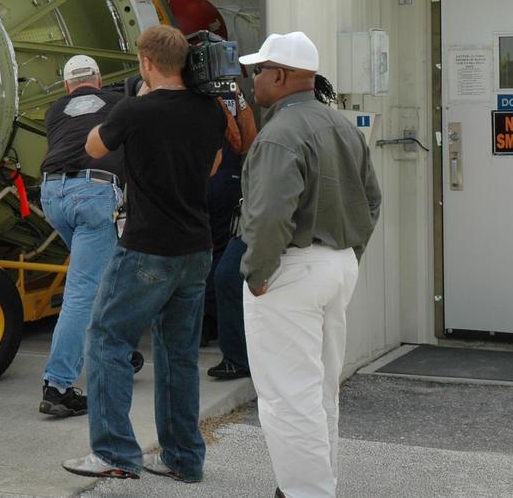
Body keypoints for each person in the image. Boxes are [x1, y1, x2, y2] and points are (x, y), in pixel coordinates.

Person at [62, 25, 225, 483]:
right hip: (196, 249)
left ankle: (114, 451)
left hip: (147, 247)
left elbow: (94, 147)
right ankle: (183, 459)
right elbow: (212, 165)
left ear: (148, 62)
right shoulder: (209, 110)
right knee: (179, 355)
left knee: (108, 340)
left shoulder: (136, 108)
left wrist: (133, 103)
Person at [238, 32, 382, 498]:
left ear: (280, 76)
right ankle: (315, 485)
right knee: (319, 391)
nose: (253, 78)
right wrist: (349, 256)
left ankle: (306, 492)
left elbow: (269, 216)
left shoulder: (279, 134)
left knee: (286, 398)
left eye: (259, 70)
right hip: (337, 264)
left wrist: (257, 274)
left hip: (291, 270)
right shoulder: (341, 126)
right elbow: (372, 200)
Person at [37, 54, 125, 418]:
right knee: (82, 289)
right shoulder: (119, 104)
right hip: (93, 194)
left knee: (99, 279)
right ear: (99, 79)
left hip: (52, 195)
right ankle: (57, 385)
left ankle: (116, 349)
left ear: (66, 86)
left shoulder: (55, 110)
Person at [205, 85, 258, 381]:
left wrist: (230, 100)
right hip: (220, 182)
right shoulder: (225, 97)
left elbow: (244, 141)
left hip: (224, 182)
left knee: (222, 266)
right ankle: (211, 326)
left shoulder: (229, 97)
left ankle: (232, 349)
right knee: (215, 262)